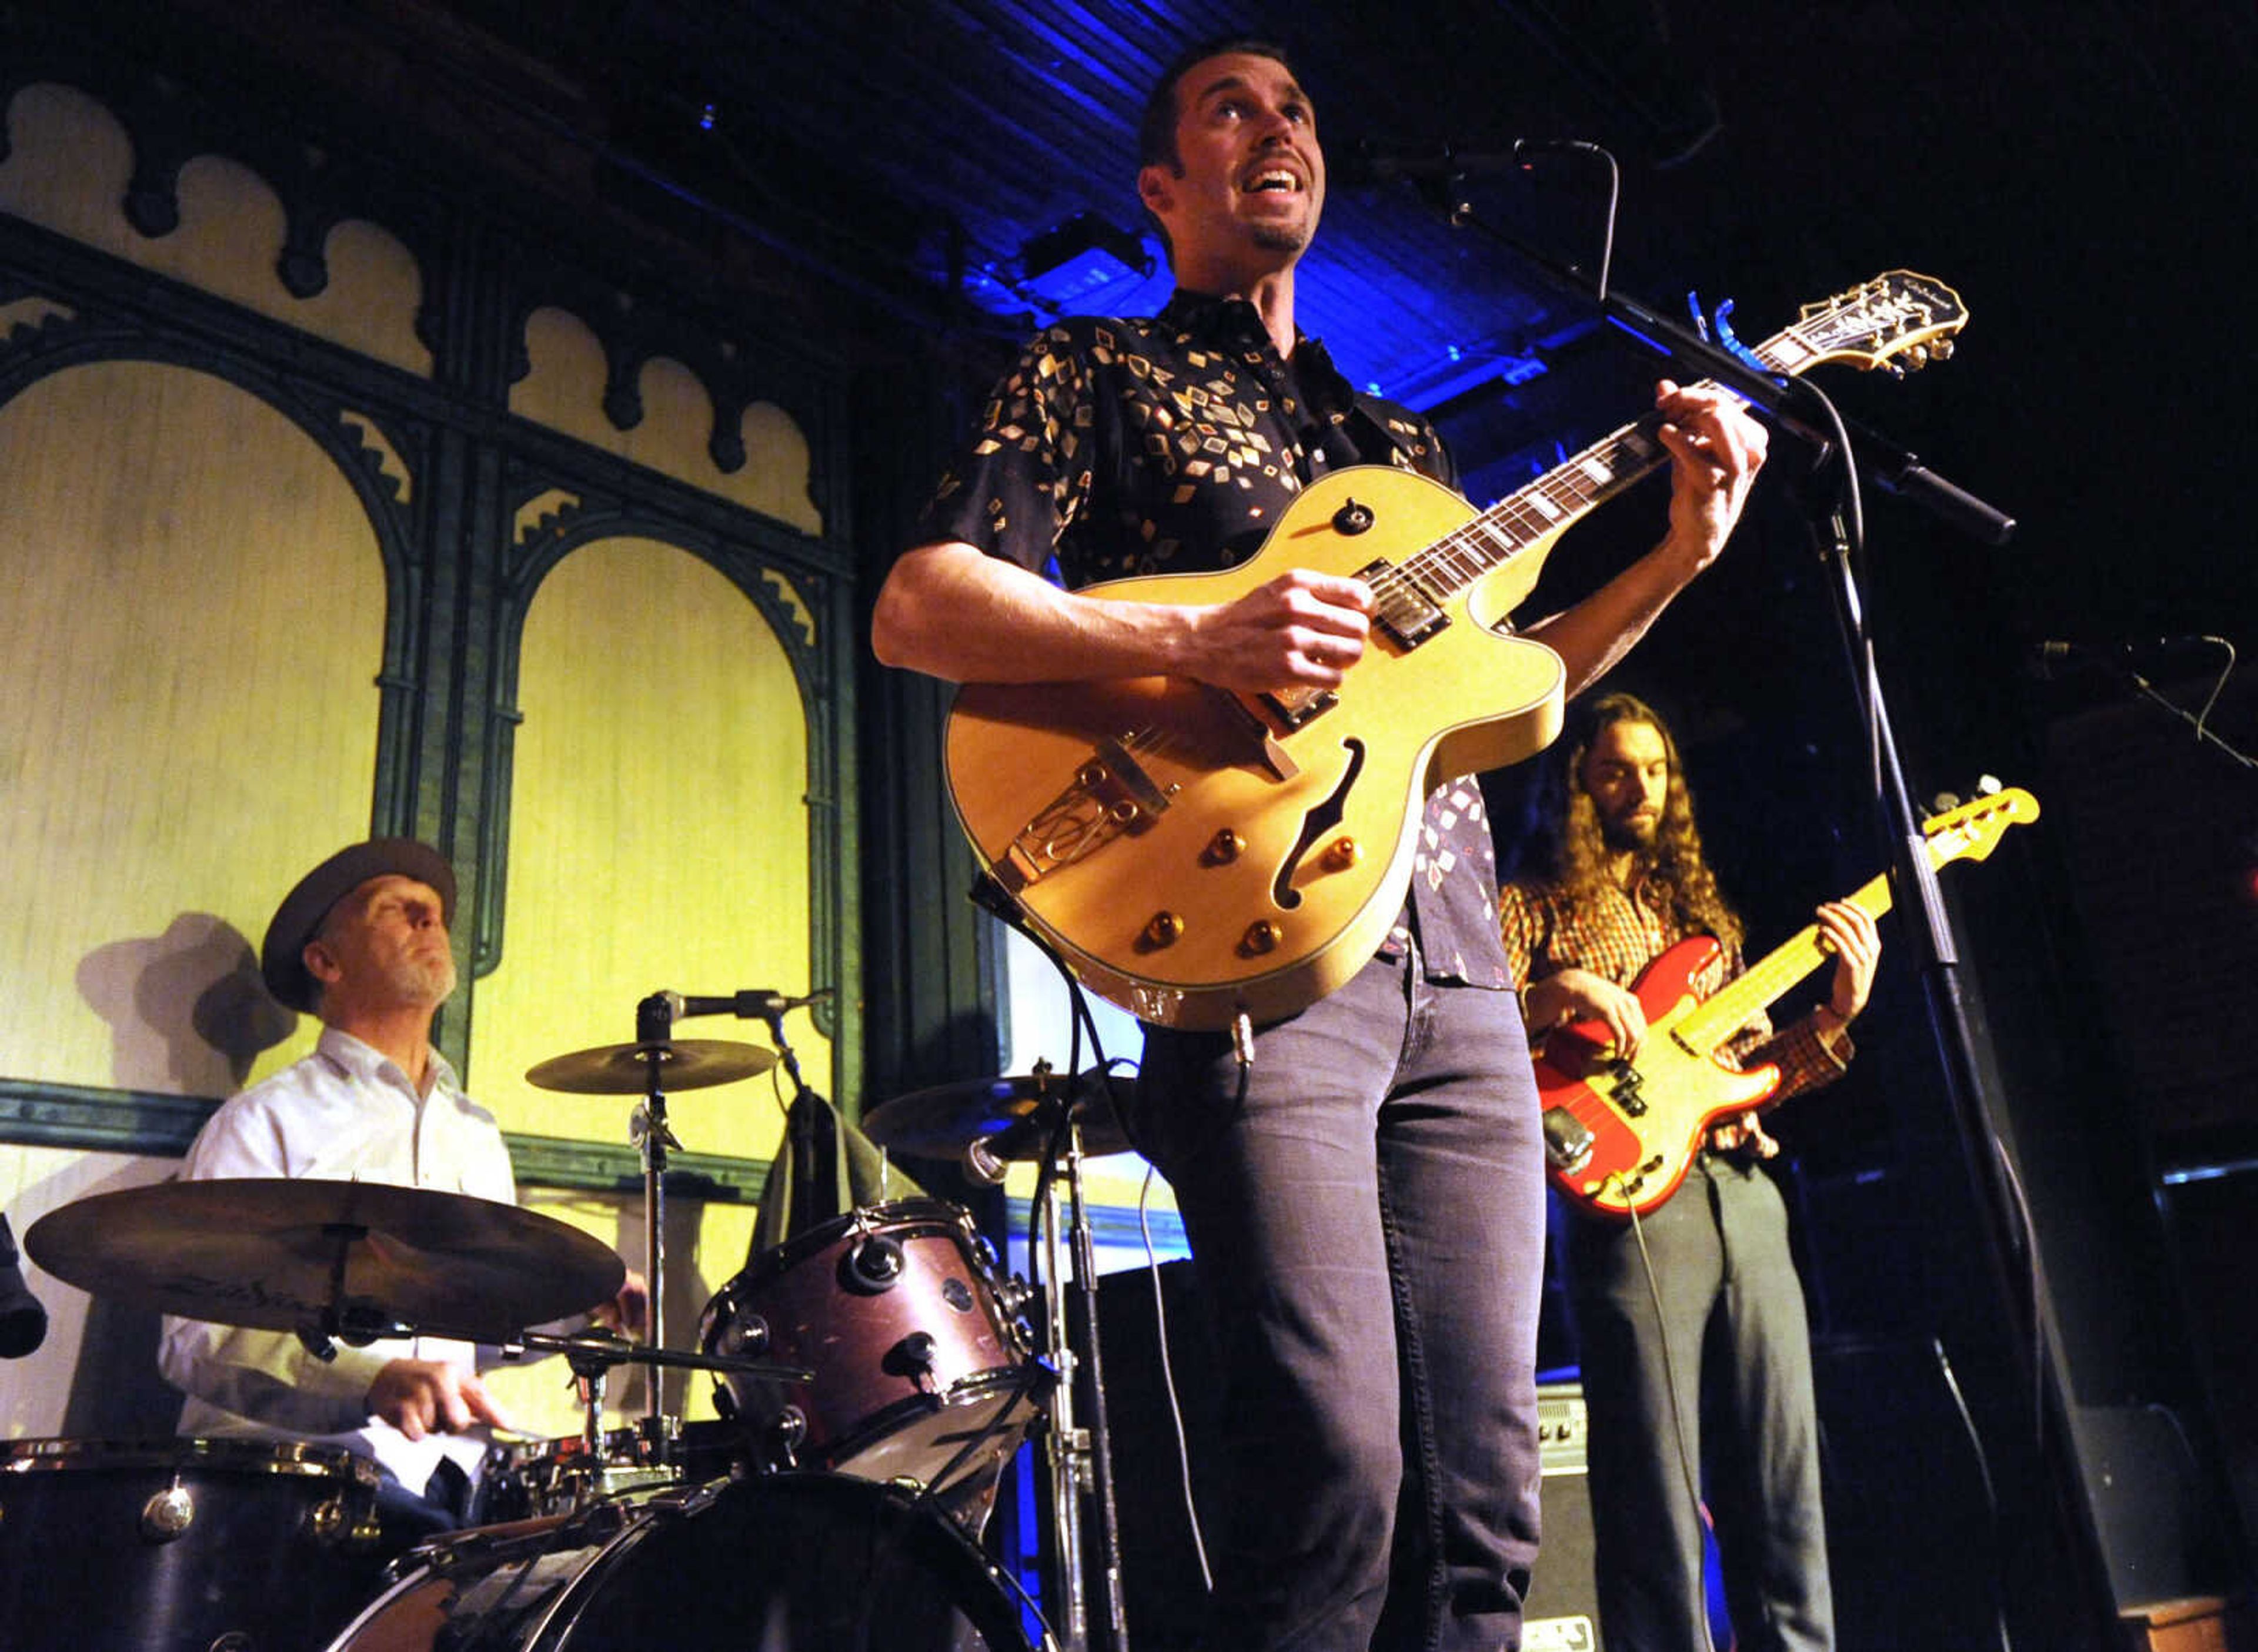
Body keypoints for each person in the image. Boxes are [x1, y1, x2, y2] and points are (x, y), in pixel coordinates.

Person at [871, 36, 1769, 1651]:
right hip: (1257, 964)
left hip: (1462, 971)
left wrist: (1683, 554)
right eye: (1231, 106)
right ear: (1163, 187)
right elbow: (920, 604)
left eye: (1295, 107)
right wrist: (1207, 641)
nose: (1275, 125)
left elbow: (1517, 685)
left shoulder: (1402, 455)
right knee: (1337, 1471)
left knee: (1488, 1491)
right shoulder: (1097, 368)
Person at [1498, 693, 1881, 1652]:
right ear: (1580, 776)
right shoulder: (1529, 903)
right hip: (1628, 1209)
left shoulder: (1700, 919)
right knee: (1652, 1485)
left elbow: (1752, 1080)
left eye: (1658, 770)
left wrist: (1834, 1015)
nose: (1643, 787)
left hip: (1742, 1193)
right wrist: (1550, 995)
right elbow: (1462, 1042)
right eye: (1621, 768)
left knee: (1782, 1469)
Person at [158, 837, 644, 1544]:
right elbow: (195, 1338)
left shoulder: (476, 1131)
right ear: (326, 961)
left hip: (457, 1484)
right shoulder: (264, 1120)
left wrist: (577, 1306)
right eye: (396, 907)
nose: (429, 916)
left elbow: (477, 1325)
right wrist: (369, 1379)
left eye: (438, 911)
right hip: (297, 1489)